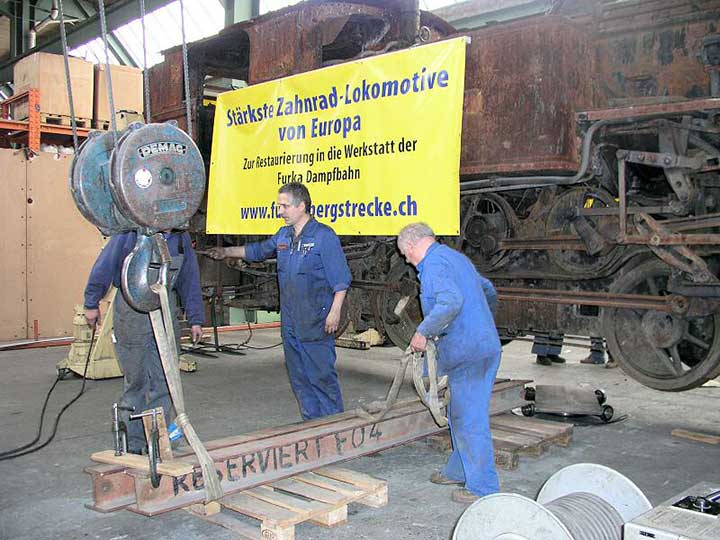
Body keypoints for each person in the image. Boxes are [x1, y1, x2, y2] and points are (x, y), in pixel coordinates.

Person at [207, 182, 351, 420]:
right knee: (299, 376)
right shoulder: (283, 235)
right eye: (278, 206)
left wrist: (335, 312)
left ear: (302, 206)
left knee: (321, 376)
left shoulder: (324, 237)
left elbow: (341, 280)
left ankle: (333, 426)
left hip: (316, 320)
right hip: (291, 322)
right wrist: (227, 253)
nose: (279, 211)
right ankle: (311, 422)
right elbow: (258, 251)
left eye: (284, 206)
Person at [398, 222, 501, 504]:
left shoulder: (433, 265)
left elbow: (450, 302)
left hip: (471, 353)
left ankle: (484, 488)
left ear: (411, 246)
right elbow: (487, 290)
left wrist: (423, 331)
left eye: (405, 254)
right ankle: (459, 470)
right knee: (459, 414)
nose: (406, 260)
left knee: (471, 419)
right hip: (474, 347)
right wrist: (480, 325)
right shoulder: (456, 258)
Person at [84, 231, 204, 455]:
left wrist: (196, 318)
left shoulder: (180, 238)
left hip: (164, 308)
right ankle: (133, 442)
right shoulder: (130, 234)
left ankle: (156, 440)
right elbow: (105, 266)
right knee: (136, 382)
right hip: (132, 311)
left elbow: (189, 277)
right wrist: (92, 302)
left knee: (165, 380)